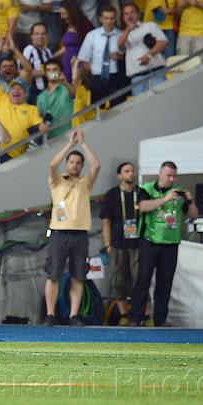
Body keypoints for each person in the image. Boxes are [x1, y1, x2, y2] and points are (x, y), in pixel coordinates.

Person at [42, 129, 101, 326]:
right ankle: (50, 314)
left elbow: (96, 165)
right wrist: (69, 145)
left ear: (82, 166)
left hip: (80, 234)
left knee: (78, 276)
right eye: (72, 162)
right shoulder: (57, 181)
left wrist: (83, 143)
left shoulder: (85, 183)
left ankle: (74, 315)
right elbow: (52, 165)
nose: (75, 165)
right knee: (54, 274)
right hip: (59, 233)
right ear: (67, 164)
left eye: (78, 163)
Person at [131, 161, 199, 326]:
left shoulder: (179, 192)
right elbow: (143, 206)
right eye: (168, 175)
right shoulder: (146, 189)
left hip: (171, 243)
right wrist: (165, 198)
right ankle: (136, 318)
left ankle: (160, 320)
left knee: (165, 282)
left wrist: (190, 201)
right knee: (143, 280)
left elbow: (194, 215)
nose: (171, 179)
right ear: (160, 173)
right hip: (149, 240)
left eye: (174, 176)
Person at [100, 162, 142, 319]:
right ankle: (124, 315)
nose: (131, 173)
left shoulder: (142, 193)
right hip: (117, 244)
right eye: (126, 171)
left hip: (138, 244)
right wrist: (107, 245)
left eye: (132, 170)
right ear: (119, 175)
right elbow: (106, 221)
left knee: (140, 279)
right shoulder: (112, 194)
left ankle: (142, 314)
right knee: (117, 280)